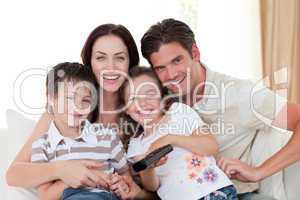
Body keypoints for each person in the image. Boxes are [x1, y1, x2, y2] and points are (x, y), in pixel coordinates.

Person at [139, 18, 300, 199]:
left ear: (195, 52)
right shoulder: (153, 101)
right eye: (161, 68)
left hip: (231, 193)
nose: (171, 75)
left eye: (177, 61)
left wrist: (259, 171)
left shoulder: (241, 93)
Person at [6, 24, 156, 199]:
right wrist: (62, 169)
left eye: (120, 58)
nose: (111, 67)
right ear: (89, 61)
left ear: (130, 62)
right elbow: (14, 174)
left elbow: (157, 193)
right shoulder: (60, 114)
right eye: (101, 58)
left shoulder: (144, 112)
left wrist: (136, 193)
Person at [119, 66, 238, 200]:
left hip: (213, 191)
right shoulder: (136, 145)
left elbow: (211, 146)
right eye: (133, 98)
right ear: (126, 110)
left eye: (150, 94)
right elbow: (152, 187)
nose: (143, 103)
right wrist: (149, 168)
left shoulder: (178, 112)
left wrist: (171, 139)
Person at [31, 62, 130, 200]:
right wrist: (80, 176)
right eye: (69, 98)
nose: (78, 106)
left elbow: (126, 174)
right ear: (51, 98)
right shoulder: (42, 146)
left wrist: (122, 184)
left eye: (85, 100)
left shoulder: (107, 135)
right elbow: (46, 196)